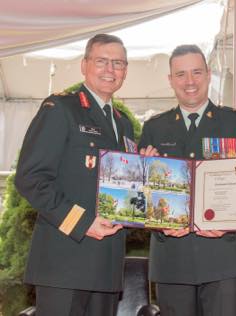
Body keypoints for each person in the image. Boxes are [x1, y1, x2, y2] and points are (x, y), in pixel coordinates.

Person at [15, 34, 135, 316]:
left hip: (106, 266)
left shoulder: (124, 124)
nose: (110, 69)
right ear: (84, 65)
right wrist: (82, 223)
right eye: (101, 61)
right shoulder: (60, 109)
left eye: (118, 63)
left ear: (125, 71)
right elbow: (31, 178)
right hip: (64, 265)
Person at [138, 44, 236, 316]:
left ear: (208, 75)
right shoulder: (154, 128)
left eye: (196, 72)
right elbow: (140, 197)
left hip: (223, 258)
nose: (189, 82)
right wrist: (142, 174)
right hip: (172, 259)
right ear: (170, 80)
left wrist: (229, 224)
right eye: (180, 74)